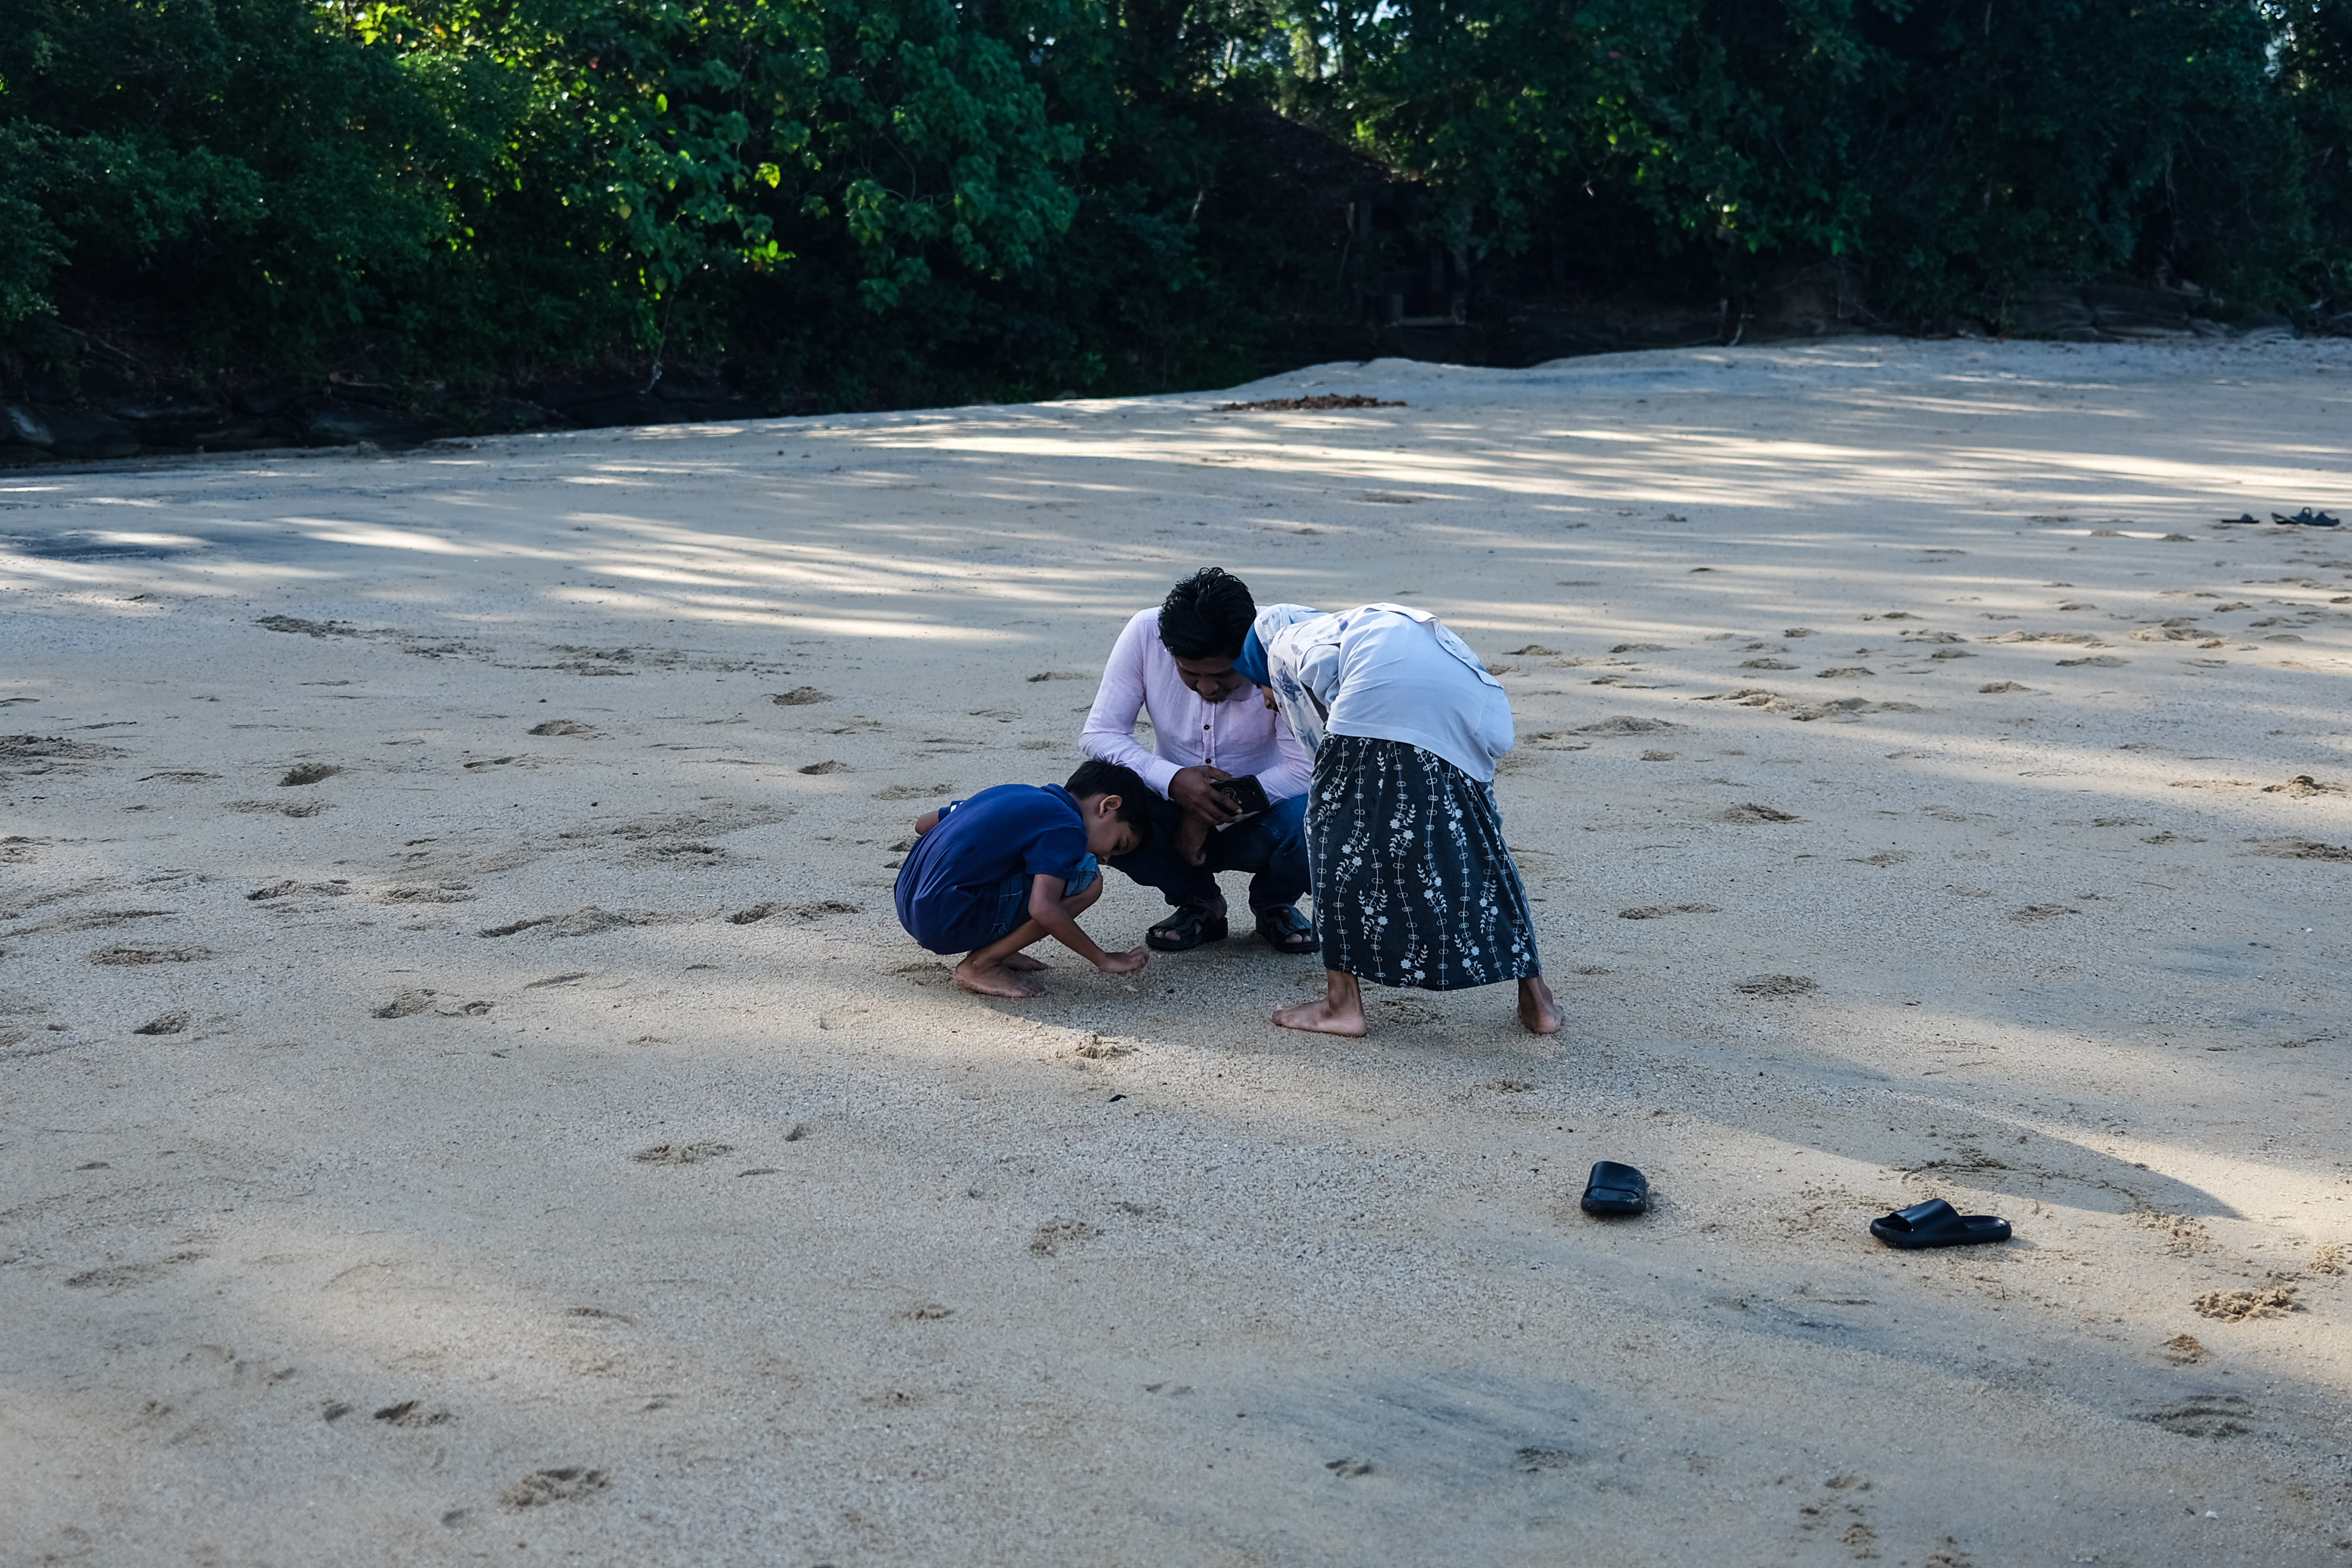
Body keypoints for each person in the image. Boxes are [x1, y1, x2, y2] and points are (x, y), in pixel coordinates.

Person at [1234, 602, 1562, 1036]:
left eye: (1259, 686)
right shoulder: (1354, 624)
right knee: (1480, 844)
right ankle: (1538, 1001)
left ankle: (1341, 1005)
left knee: (1330, 834)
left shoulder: (1281, 643)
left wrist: (1336, 800)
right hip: (1469, 699)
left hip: (1380, 693)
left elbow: (1320, 744)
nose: (1265, 700)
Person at [1079, 567, 1318, 956]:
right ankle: (1199, 902)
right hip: (1170, 819)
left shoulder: (1279, 646)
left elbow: (1306, 768)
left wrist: (1207, 808)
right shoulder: (1144, 632)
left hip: (1267, 818)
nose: (1207, 689)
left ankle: (1275, 903)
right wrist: (1174, 782)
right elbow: (1099, 734)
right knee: (1097, 805)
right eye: (1189, 673)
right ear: (1169, 649)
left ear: (1248, 652)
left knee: (1318, 813)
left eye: (1225, 674)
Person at [893, 759, 1154, 999]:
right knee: (1089, 879)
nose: (1106, 858)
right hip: (946, 919)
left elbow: (923, 824)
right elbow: (1043, 908)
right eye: (1118, 844)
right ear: (1109, 806)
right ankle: (982, 965)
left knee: (1016, 863)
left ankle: (1000, 946)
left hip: (910, 905)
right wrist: (1102, 958)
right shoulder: (1067, 826)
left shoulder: (1013, 794)